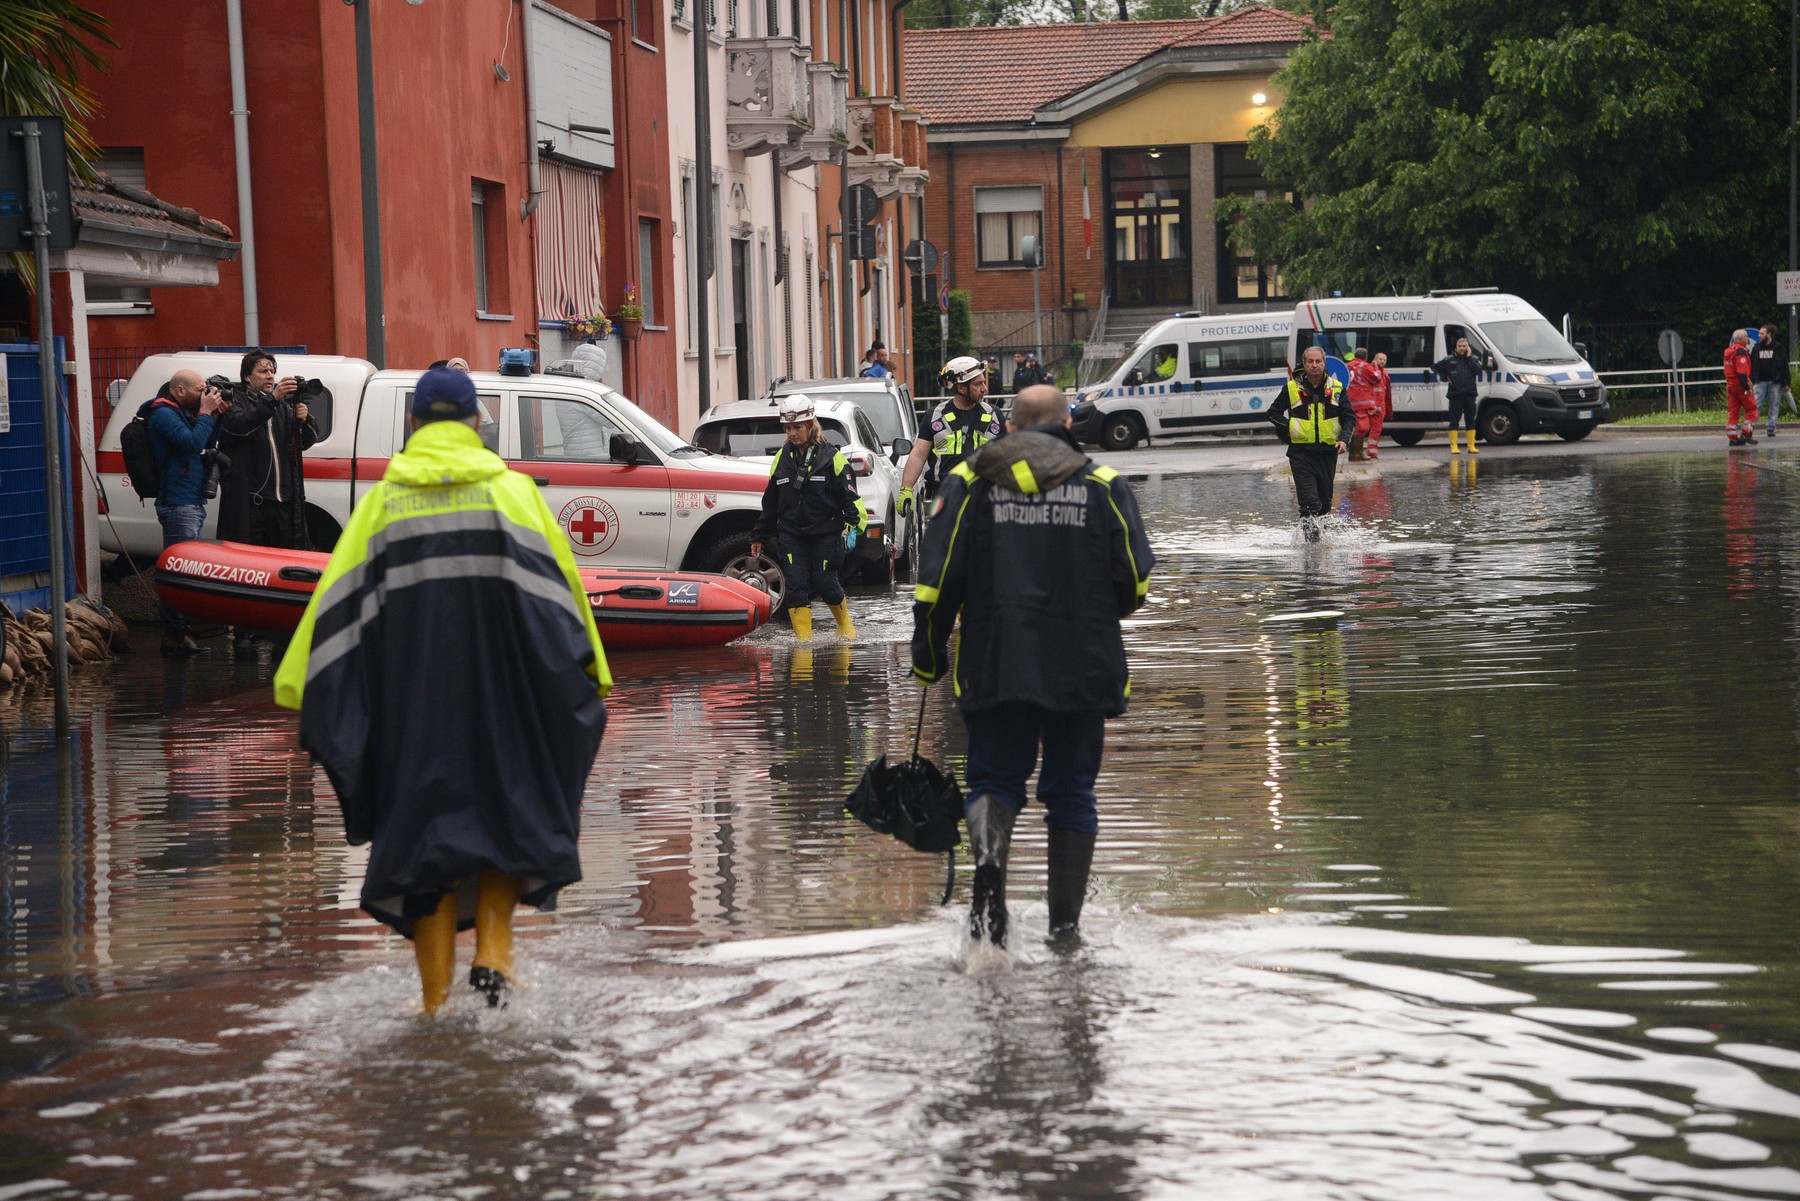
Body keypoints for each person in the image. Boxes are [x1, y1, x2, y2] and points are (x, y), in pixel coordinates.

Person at [273, 368, 610, 1015]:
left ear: (413, 424)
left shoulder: (382, 504)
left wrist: (302, 688)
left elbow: (335, 610)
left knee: (420, 838)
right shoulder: (514, 494)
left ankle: (433, 1004)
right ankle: (494, 952)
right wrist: (591, 673)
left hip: (412, 706)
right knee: (511, 811)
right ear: (477, 421)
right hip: (506, 697)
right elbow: (563, 599)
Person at [912, 384, 1155, 947]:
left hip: (995, 662)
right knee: (1071, 792)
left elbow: (935, 583)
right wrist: (1093, 611)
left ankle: (989, 878)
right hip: (1081, 663)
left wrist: (929, 657)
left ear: (1011, 427)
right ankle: (1065, 933)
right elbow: (1134, 581)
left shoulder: (969, 482)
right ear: (1067, 424)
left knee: (993, 780)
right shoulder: (1102, 484)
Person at [749, 395, 868, 641]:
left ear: (810, 424)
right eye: (787, 428)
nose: (792, 433)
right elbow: (770, 502)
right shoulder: (781, 459)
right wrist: (759, 535)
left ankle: (845, 625)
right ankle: (804, 643)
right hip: (792, 533)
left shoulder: (832, 457)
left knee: (825, 582)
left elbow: (849, 496)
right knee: (795, 586)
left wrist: (854, 526)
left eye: (797, 427)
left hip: (826, 532)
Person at [144, 370, 229, 656]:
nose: (205, 394)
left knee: (183, 570)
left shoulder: (182, 412)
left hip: (189, 501)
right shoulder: (163, 414)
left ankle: (178, 634)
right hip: (178, 503)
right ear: (180, 390)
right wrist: (205, 413)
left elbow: (205, 444)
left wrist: (216, 416)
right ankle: (175, 635)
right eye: (200, 390)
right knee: (178, 572)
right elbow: (191, 444)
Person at [218, 348, 320, 549]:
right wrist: (273, 398)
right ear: (247, 376)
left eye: (272, 371)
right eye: (263, 371)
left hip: (283, 500)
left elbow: (302, 444)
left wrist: (304, 420)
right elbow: (240, 426)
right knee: (249, 556)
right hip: (251, 501)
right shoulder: (236, 401)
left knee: (282, 555)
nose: (270, 375)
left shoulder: (282, 406)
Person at [897, 355, 1004, 521]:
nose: (984, 389)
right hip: (944, 497)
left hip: (985, 496)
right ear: (961, 388)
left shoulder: (994, 415)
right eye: (978, 384)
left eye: (983, 383)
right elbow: (918, 454)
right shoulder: (935, 416)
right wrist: (906, 489)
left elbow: (1009, 455)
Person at [1267, 345, 1349, 542]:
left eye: (1318, 361)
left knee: (1324, 505)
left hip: (1327, 452)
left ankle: (1318, 543)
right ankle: (1312, 547)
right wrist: (1290, 428)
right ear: (1304, 364)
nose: (1314, 365)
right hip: (1300, 453)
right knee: (1309, 503)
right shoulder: (1292, 388)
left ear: (1324, 363)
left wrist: (1344, 440)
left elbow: (1349, 418)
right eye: (1310, 361)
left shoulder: (1337, 388)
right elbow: (1272, 413)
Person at [1433, 337, 1489, 454]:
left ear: (1468, 347)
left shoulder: (1473, 359)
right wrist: (1445, 377)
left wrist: (1469, 358)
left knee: (1470, 420)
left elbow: (1478, 371)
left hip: (1470, 394)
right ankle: (1454, 447)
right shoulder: (1449, 359)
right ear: (1456, 347)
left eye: (1464, 346)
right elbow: (1435, 367)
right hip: (1455, 395)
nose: (1462, 348)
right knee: (1454, 420)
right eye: (1460, 346)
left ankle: (1471, 446)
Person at [1345, 348, 1386, 462]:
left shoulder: (1347, 366)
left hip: (1349, 401)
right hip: (1361, 402)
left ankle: (1353, 454)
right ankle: (1357, 454)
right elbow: (1377, 378)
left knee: (1353, 427)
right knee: (1361, 428)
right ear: (1365, 356)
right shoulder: (1365, 366)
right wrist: (1376, 368)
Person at [1753, 324, 1789, 440]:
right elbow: (1752, 364)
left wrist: (1786, 382)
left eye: (1761, 333)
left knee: (1774, 405)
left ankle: (1771, 428)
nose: (1759, 335)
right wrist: (1753, 378)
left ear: (1769, 334)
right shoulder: (1757, 348)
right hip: (1760, 382)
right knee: (1755, 405)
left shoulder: (1779, 348)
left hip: (1775, 382)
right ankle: (1750, 427)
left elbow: (1785, 366)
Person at [1724, 329, 1757, 446]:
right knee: (1752, 409)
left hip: (1730, 385)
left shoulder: (1728, 351)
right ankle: (1746, 434)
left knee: (1733, 411)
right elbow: (1742, 372)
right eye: (1746, 337)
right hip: (1740, 385)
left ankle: (1732, 437)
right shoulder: (1740, 352)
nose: (1747, 339)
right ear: (1741, 339)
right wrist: (1747, 388)